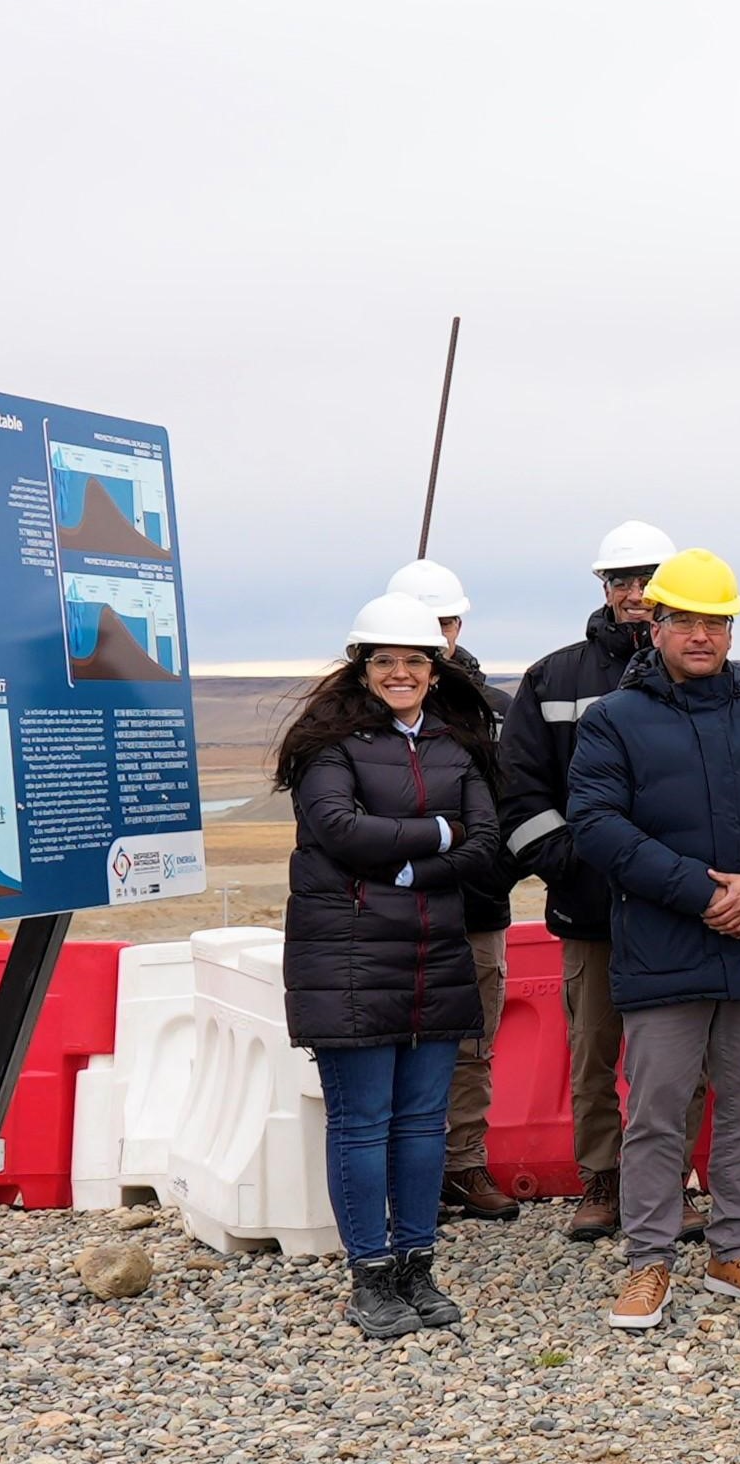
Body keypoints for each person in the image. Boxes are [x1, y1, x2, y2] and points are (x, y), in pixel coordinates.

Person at [565, 550, 740, 1330]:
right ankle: (649, 1261)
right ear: (657, 625)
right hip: (664, 945)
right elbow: (597, 825)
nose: (703, 636)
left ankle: (733, 1247)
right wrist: (702, 891)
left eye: (717, 621)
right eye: (687, 621)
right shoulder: (614, 718)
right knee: (657, 1108)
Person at [280, 593, 506, 1338]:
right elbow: (338, 829)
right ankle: (370, 1275)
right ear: (362, 668)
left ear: (435, 671)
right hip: (347, 959)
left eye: (414, 660)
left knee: (420, 1124)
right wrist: (440, 830)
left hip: (432, 952)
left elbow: (486, 848)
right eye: (386, 661)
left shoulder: (456, 745)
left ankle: (417, 1266)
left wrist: (411, 873)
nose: (400, 672)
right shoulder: (327, 746)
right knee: (362, 1120)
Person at [496, 518, 675, 1244]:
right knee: (594, 1051)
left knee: (673, 1059)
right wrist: (574, 862)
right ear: (605, 588)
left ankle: (670, 1183)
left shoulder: (694, 668)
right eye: (621, 581)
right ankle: (603, 1181)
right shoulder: (554, 676)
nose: (634, 595)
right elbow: (520, 792)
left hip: (674, 906)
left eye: (647, 580)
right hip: (590, 905)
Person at [388, 558, 523, 1227]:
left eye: (441, 622)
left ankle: (463, 1163)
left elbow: (517, 805)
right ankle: (403, 1177)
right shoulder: (360, 712)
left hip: (474, 907)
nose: (431, 635)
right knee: (394, 1038)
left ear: (457, 624)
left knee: (472, 1041)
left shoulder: (495, 711)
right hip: (389, 910)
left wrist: (492, 872)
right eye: (418, 624)